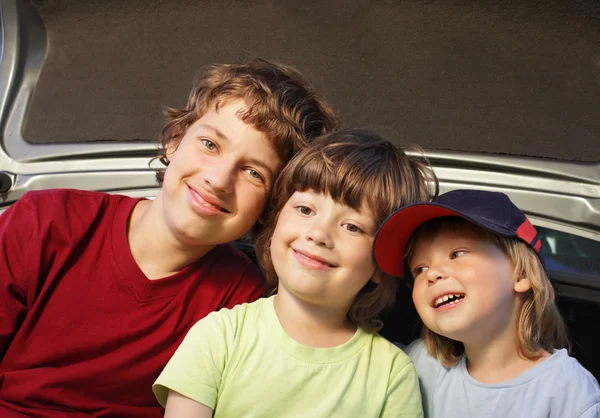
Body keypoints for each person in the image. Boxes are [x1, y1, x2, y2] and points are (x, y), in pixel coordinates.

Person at [0, 58, 339, 417]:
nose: (219, 180)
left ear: (270, 205)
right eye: (210, 144)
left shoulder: (243, 302)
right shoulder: (47, 220)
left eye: (254, 172)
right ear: (175, 141)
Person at [153, 129, 438, 417]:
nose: (319, 234)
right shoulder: (219, 336)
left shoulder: (392, 373)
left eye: (352, 227)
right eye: (305, 209)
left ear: (380, 264)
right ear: (275, 221)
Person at [373, 189, 600, 417]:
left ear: (521, 274)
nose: (432, 274)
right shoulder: (421, 363)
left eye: (457, 254)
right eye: (419, 269)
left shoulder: (569, 391)